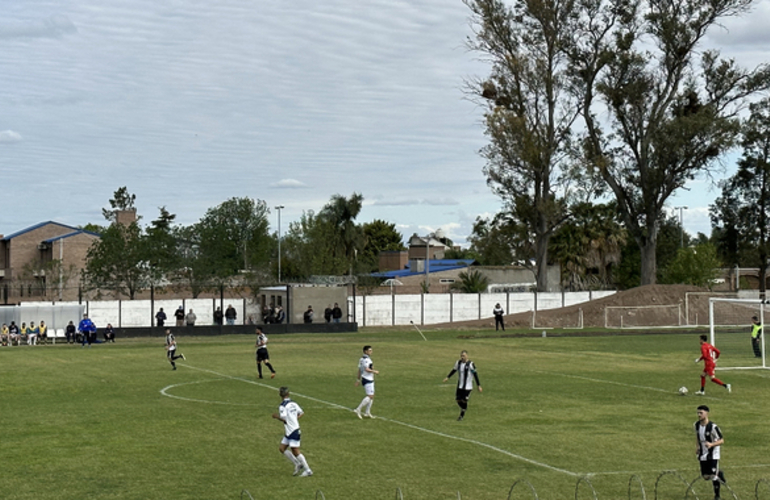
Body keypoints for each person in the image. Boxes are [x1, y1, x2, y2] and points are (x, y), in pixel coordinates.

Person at [272, 386, 313, 477]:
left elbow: (284, 419)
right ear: (288, 394)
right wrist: (294, 419)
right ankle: (297, 464)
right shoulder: (294, 403)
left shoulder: (282, 406)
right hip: (291, 430)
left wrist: (276, 417)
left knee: (295, 451)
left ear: (280, 394)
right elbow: (301, 413)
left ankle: (308, 470)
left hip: (292, 431)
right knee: (282, 448)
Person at [694, 405, 727, 500]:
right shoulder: (696, 425)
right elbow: (697, 437)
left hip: (713, 454)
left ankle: (717, 495)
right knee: (705, 476)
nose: (699, 415)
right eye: (698, 413)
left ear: (706, 414)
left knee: (713, 476)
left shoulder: (713, 427)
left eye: (701, 413)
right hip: (703, 453)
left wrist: (712, 444)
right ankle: (719, 472)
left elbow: (721, 440)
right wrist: (697, 447)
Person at [443, 350, 482, 421]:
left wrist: (478, 385)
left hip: (468, 387)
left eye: (463, 356)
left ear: (467, 356)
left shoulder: (471, 364)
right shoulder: (458, 363)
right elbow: (454, 370)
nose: (462, 357)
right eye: (461, 356)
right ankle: (464, 409)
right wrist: (447, 377)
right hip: (460, 386)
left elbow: (475, 374)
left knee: (464, 400)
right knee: (458, 400)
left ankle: (461, 415)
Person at [354, 345, 379, 419]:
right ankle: (358, 409)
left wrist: (358, 380)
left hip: (367, 378)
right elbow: (366, 369)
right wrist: (374, 371)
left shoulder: (361, 359)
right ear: (365, 351)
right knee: (370, 396)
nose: (371, 351)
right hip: (367, 379)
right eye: (369, 350)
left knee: (372, 396)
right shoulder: (366, 360)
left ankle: (367, 412)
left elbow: (359, 370)